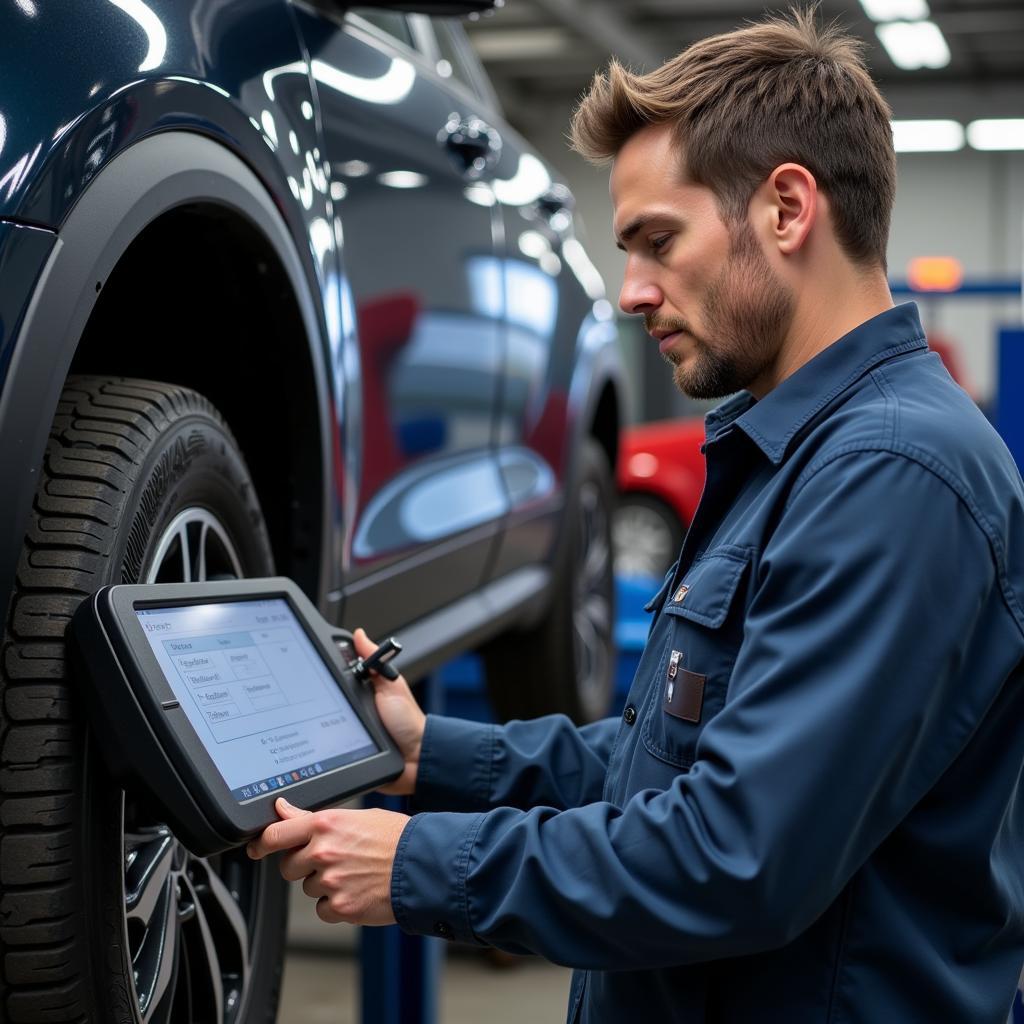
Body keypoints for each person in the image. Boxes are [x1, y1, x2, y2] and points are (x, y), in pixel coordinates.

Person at [248, 10, 1024, 1021]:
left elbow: (733, 854)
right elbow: (660, 761)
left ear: (787, 208)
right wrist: (426, 752)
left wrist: (420, 863)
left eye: (657, 241)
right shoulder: (796, 456)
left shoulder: (893, 476)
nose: (629, 292)